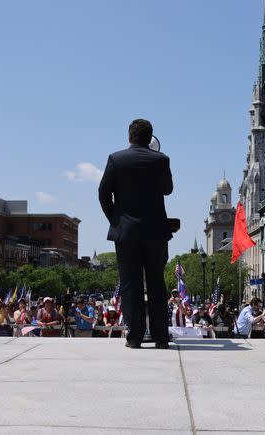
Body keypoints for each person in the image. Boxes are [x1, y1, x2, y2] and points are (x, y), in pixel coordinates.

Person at [98, 119, 173, 349]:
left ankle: (135, 337)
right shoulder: (161, 160)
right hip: (155, 231)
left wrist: (116, 220)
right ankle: (161, 337)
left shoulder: (116, 159)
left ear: (129, 136)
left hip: (126, 232)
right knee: (157, 283)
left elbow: (103, 194)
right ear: (150, 139)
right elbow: (168, 190)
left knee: (130, 285)